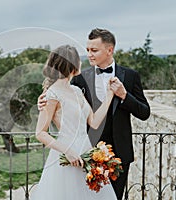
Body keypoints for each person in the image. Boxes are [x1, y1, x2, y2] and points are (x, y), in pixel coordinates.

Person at [38, 28, 151, 199]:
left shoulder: (129, 76)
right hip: (84, 153)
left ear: (109, 50)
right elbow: (55, 103)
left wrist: (121, 95)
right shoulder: (79, 80)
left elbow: (143, 112)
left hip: (117, 154)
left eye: (94, 50)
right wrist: (43, 101)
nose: (89, 55)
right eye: (87, 50)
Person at [31, 44, 117, 200]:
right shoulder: (51, 95)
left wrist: (110, 95)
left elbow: (94, 122)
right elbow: (40, 133)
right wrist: (67, 151)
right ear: (71, 64)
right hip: (67, 156)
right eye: (78, 59)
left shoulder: (76, 91)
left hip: (86, 153)